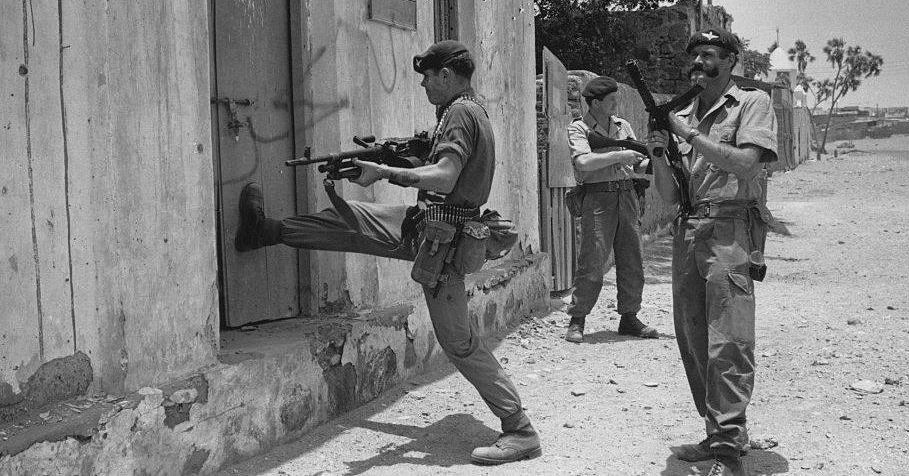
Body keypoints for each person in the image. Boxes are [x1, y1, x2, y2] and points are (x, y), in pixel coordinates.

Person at [234, 40, 541, 466]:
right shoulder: (467, 111)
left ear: (446, 75)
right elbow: (444, 162)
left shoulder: (460, 114)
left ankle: (519, 428)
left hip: (443, 244)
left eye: (427, 77)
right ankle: (263, 231)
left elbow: (447, 175)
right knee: (348, 221)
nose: (423, 86)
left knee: (459, 342)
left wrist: (386, 172)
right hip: (427, 225)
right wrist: (398, 152)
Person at [647, 27, 778, 476]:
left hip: (730, 228)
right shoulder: (681, 112)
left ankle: (728, 451)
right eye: (695, 56)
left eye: (709, 54)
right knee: (694, 338)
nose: (699, 63)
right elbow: (667, 196)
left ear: (730, 61)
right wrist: (661, 153)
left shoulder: (752, 104)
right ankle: (716, 433)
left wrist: (688, 134)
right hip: (689, 229)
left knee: (729, 340)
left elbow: (745, 163)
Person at [563, 76, 659, 343]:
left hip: (627, 195)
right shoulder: (579, 129)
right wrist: (620, 155)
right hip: (598, 199)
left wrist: (652, 161)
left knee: (632, 259)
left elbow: (636, 165)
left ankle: (629, 317)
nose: (617, 103)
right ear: (595, 103)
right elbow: (583, 162)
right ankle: (578, 318)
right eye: (611, 100)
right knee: (592, 261)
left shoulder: (623, 125)